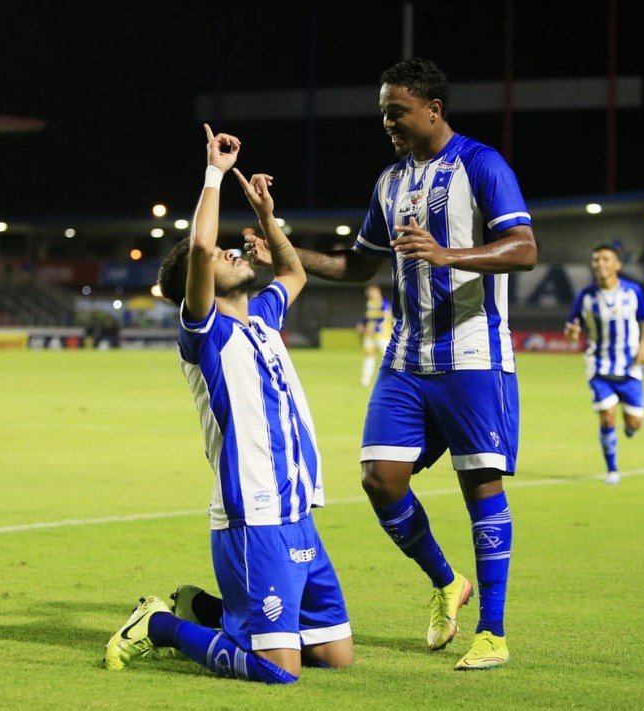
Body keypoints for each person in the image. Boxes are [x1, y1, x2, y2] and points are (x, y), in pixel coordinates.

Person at [245, 57, 536, 670]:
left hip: (473, 356)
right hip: (406, 357)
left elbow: (525, 248)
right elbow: (357, 266)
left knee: (479, 484)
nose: (387, 121)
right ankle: (446, 581)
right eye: (383, 112)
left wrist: (450, 253)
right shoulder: (389, 183)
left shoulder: (482, 166)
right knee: (380, 480)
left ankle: (494, 631)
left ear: (433, 108)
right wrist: (281, 249)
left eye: (396, 111)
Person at [103, 125, 353, 684]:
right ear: (201, 284)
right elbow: (196, 246)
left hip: (297, 509)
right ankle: (159, 625)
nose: (231, 252)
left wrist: (267, 216)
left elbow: (293, 272)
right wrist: (215, 172)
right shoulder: (205, 334)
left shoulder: (262, 317)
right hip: (253, 515)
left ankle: (205, 610)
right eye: (222, 255)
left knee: (337, 657)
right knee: (277, 671)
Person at [564, 243, 644, 485]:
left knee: (634, 423)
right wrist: (572, 333)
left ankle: (631, 428)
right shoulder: (585, 296)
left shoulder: (632, 292)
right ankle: (612, 469)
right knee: (607, 417)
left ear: (617, 265)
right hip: (599, 367)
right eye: (596, 260)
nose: (600, 264)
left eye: (605, 259)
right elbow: (572, 327)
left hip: (630, 367)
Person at [356, 283, 393, 387]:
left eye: (371, 292)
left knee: (387, 358)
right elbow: (368, 318)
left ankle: (388, 381)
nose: (369, 294)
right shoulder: (370, 303)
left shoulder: (384, 303)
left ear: (377, 291)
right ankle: (365, 381)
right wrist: (362, 324)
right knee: (369, 356)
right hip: (370, 336)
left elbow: (384, 318)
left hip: (382, 335)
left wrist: (375, 327)